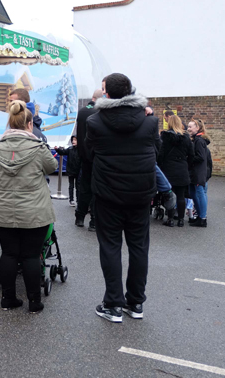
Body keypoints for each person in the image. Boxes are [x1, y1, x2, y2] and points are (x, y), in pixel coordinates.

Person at [86, 73, 158, 323]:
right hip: (140, 193)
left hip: (108, 193)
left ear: (106, 93)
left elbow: (89, 153)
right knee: (139, 248)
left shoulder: (95, 122)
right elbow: (155, 149)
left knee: (110, 247)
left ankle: (113, 304)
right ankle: (135, 302)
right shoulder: (150, 121)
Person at [0, 101, 58, 313]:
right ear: (29, 124)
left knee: (8, 254)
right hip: (35, 212)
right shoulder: (38, 148)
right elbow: (52, 167)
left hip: (3, 210)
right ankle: (34, 302)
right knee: (31, 255)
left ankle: (8, 298)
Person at [158, 115, 193, 227]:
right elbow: (191, 155)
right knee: (181, 195)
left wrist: (160, 166)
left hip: (169, 168)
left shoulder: (165, 136)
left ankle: (170, 219)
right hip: (182, 168)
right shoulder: (186, 137)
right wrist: (186, 165)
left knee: (170, 195)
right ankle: (181, 220)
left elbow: (161, 154)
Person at [75, 89, 104, 230]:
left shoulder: (82, 111)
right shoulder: (100, 112)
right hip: (97, 156)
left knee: (84, 187)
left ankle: (79, 217)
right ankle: (93, 220)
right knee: (96, 189)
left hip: (84, 154)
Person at [187, 118, 210, 228]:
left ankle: (202, 218)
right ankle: (200, 216)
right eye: (188, 127)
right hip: (194, 172)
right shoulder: (196, 140)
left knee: (200, 194)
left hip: (198, 172)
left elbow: (200, 157)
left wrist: (188, 158)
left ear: (197, 128)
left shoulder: (199, 141)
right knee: (193, 194)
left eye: (190, 127)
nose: (188, 129)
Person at [55, 137, 81, 209]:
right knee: (71, 186)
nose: (73, 141)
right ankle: (71, 200)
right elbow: (63, 152)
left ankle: (78, 200)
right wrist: (57, 149)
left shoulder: (81, 150)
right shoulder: (70, 149)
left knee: (78, 186)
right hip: (71, 170)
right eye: (73, 140)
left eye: (75, 140)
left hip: (79, 171)